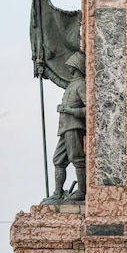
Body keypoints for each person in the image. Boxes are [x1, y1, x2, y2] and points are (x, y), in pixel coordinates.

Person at [41, 51, 86, 204]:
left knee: (77, 159)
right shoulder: (72, 85)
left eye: (71, 67)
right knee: (58, 160)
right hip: (65, 128)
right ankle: (58, 192)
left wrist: (71, 111)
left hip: (74, 127)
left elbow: (91, 108)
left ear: (76, 68)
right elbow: (58, 79)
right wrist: (44, 70)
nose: (69, 70)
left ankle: (82, 191)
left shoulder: (81, 85)